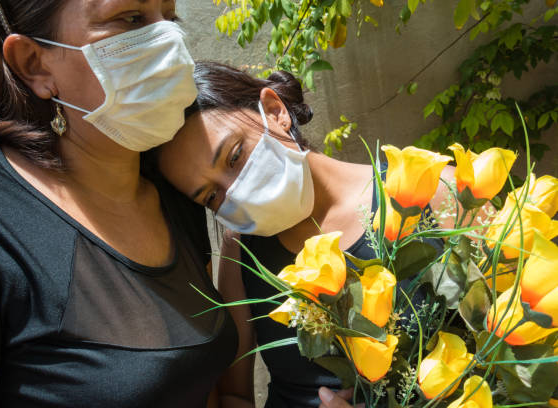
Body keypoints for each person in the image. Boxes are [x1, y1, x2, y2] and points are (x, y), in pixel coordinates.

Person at [0, 1, 237, 407]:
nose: (170, 42)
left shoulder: (169, 187)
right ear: (35, 64)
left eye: (170, 18)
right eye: (131, 19)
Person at [157, 62, 457, 408]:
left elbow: (519, 355)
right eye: (211, 196)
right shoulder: (241, 253)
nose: (235, 191)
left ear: (275, 111)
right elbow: (234, 394)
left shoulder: (433, 191)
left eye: (235, 156)